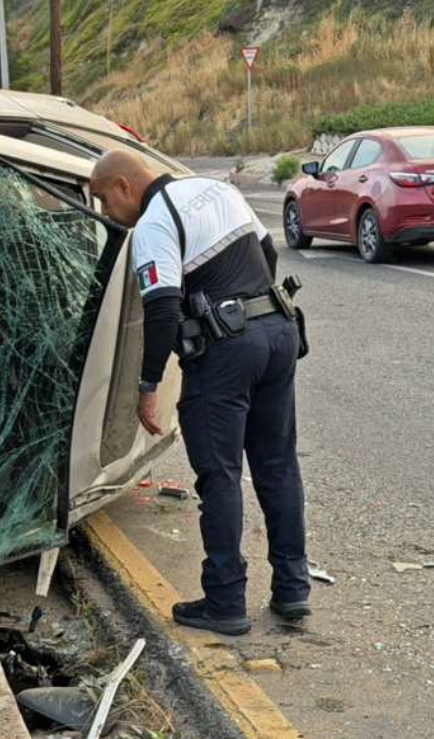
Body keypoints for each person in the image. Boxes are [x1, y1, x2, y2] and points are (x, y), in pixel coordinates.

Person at [88, 151, 310, 636]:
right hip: (277, 330)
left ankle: (225, 601)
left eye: (104, 199)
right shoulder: (219, 190)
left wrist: (147, 388)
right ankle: (293, 590)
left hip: (227, 352)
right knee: (277, 465)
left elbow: (163, 311)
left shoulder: (155, 221)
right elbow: (267, 255)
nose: (106, 212)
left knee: (220, 475)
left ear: (124, 185)